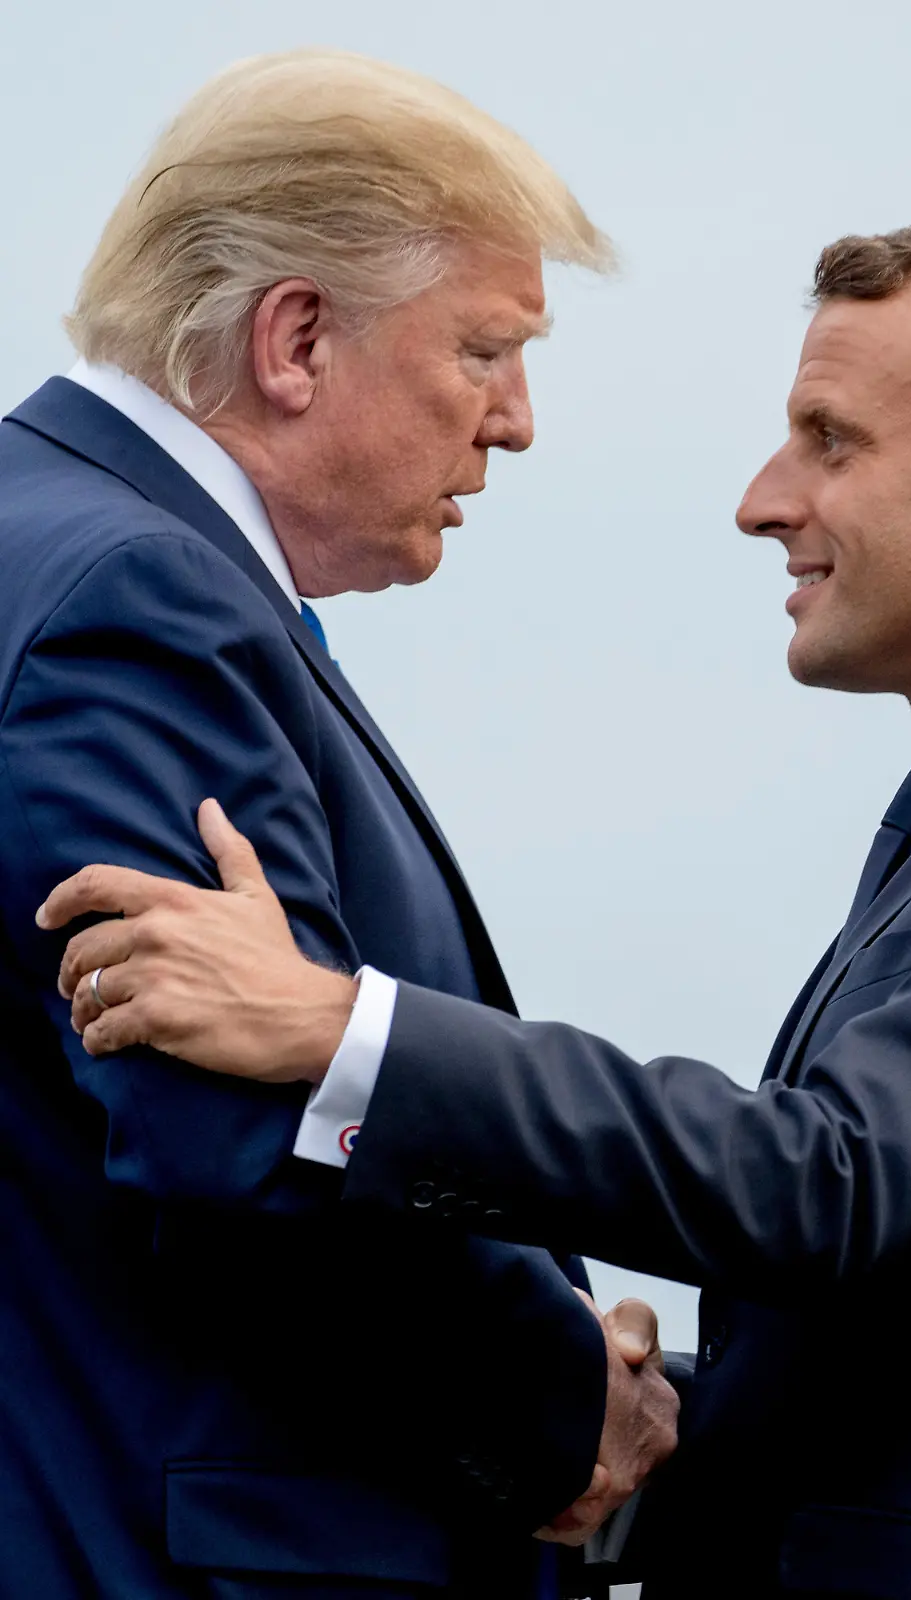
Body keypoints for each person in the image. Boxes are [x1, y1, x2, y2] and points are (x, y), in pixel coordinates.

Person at [42, 210, 911, 1598]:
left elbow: (834, 1180)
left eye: (831, 440)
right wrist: (602, 1413)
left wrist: (339, 1031)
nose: (766, 499)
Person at [0, 48, 679, 1600]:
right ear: (296, 338)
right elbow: (227, 1139)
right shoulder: (137, 598)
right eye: (487, 350)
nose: (515, 423)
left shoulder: (51, 541)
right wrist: (559, 1396)